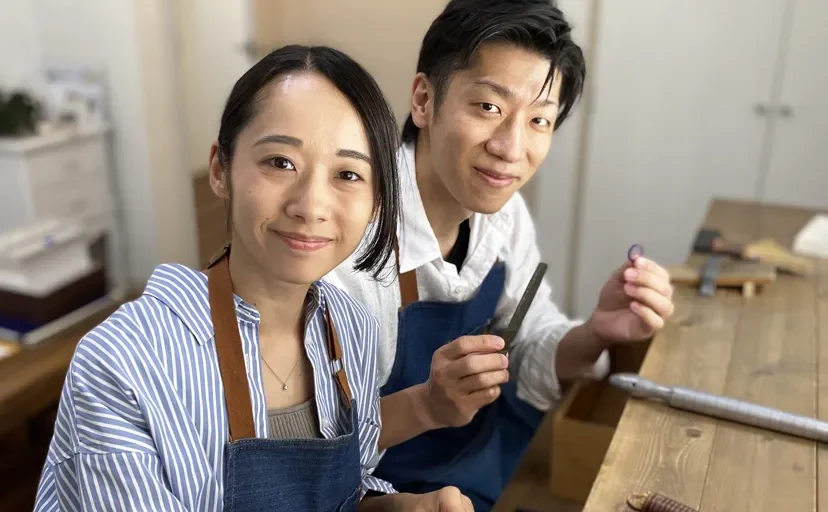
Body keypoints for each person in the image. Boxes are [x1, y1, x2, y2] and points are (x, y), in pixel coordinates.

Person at [33, 45, 473, 512]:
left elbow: (344, 494)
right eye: (280, 162)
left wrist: (401, 509)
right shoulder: (124, 364)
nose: (310, 206)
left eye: (347, 174)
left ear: (377, 202)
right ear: (221, 169)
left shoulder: (350, 329)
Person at [325, 1, 676, 510]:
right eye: (489, 107)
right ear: (424, 100)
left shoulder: (503, 218)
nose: (512, 148)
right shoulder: (348, 243)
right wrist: (424, 408)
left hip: (484, 483)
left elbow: (531, 344)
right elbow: (303, 453)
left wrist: (596, 332)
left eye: (539, 120)